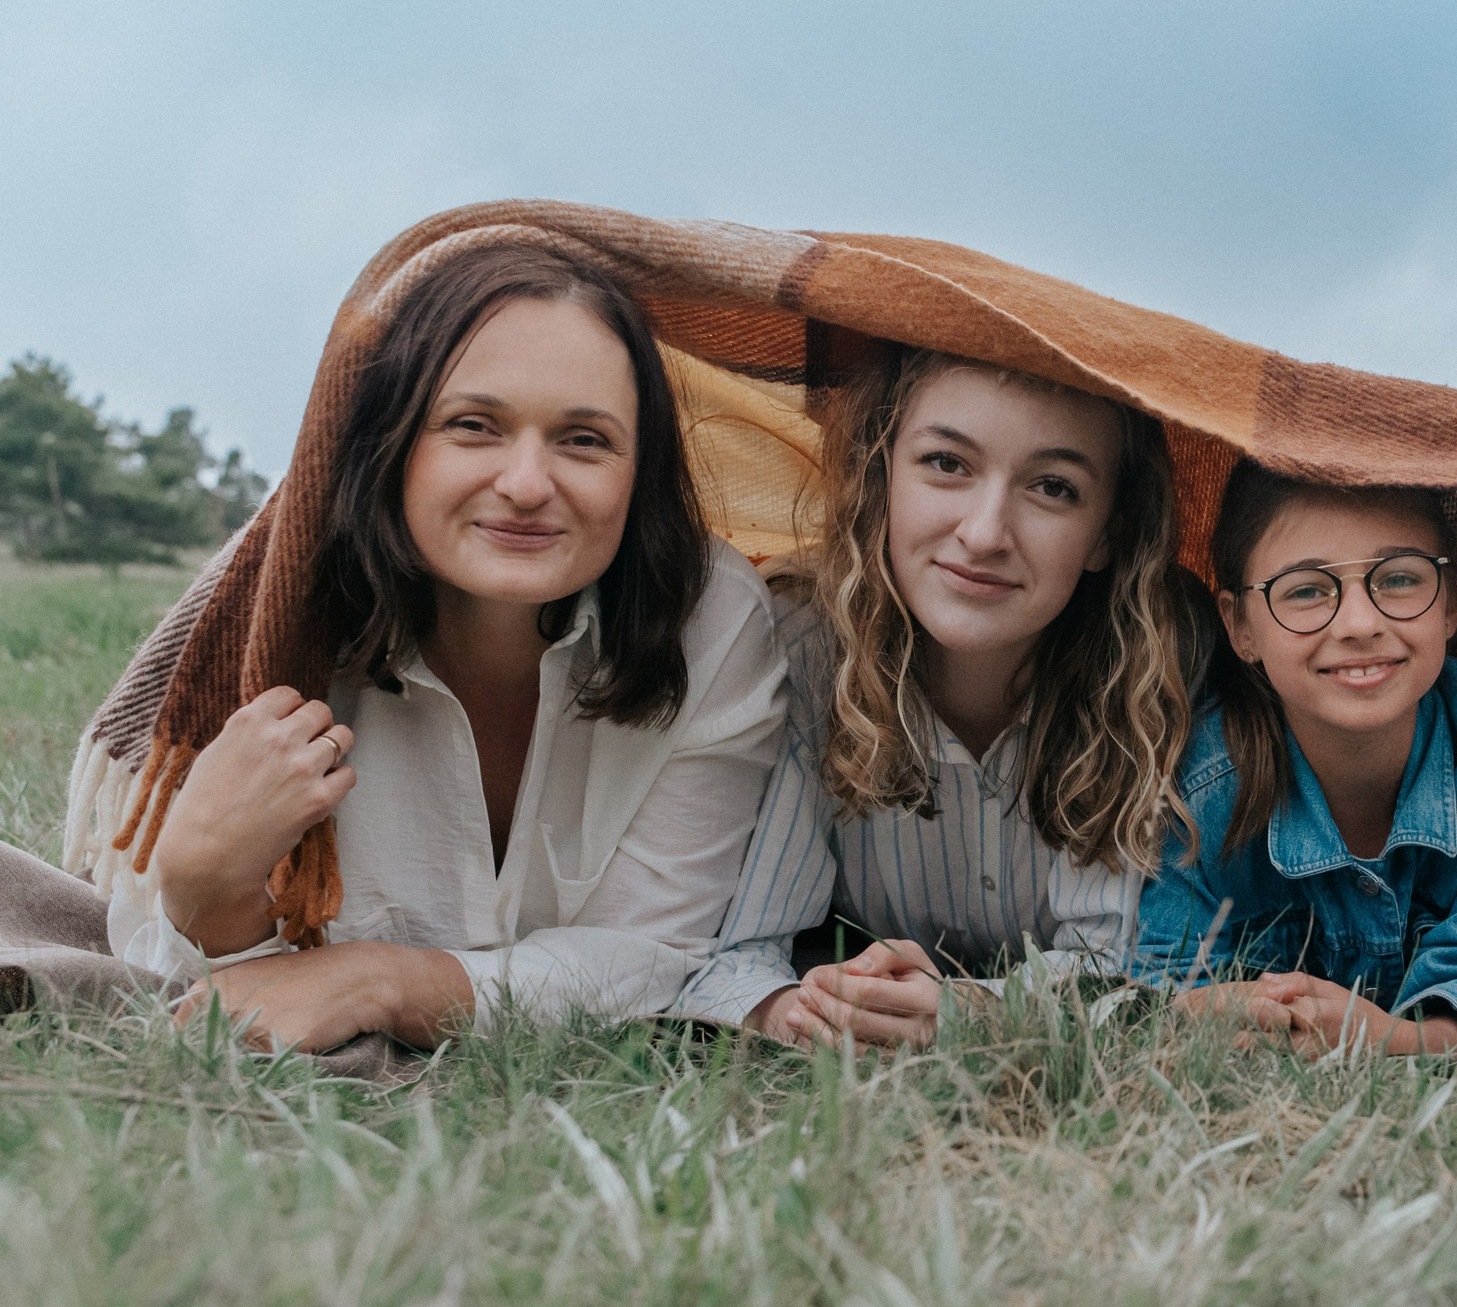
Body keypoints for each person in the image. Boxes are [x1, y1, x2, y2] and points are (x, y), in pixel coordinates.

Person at [117, 241, 785, 1052]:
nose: (528, 484)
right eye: (474, 426)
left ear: (639, 472)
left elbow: (657, 956)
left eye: (584, 440)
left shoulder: (710, 617)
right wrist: (203, 885)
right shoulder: (274, 620)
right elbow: (205, 989)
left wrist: (381, 981)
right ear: (394, 440)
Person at [675, 347, 1191, 1049]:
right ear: (879, 472)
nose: (983, 534)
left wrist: (972, 1012)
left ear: (1106, 533)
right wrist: (811, 1013)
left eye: (1053, 487)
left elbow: (1122, 971)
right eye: (947, 463)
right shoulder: (802, 645)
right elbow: (737, 955)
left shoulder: (1144, 670)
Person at [1134, 460, 1457, 1055]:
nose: (1360, 623)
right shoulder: (1202, 782)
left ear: (1450, 605)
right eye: (1307, 590)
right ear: (1241, 627)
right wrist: (1237, 1012)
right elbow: (1165, 988)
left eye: (1398, 579)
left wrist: (1390, 1041)